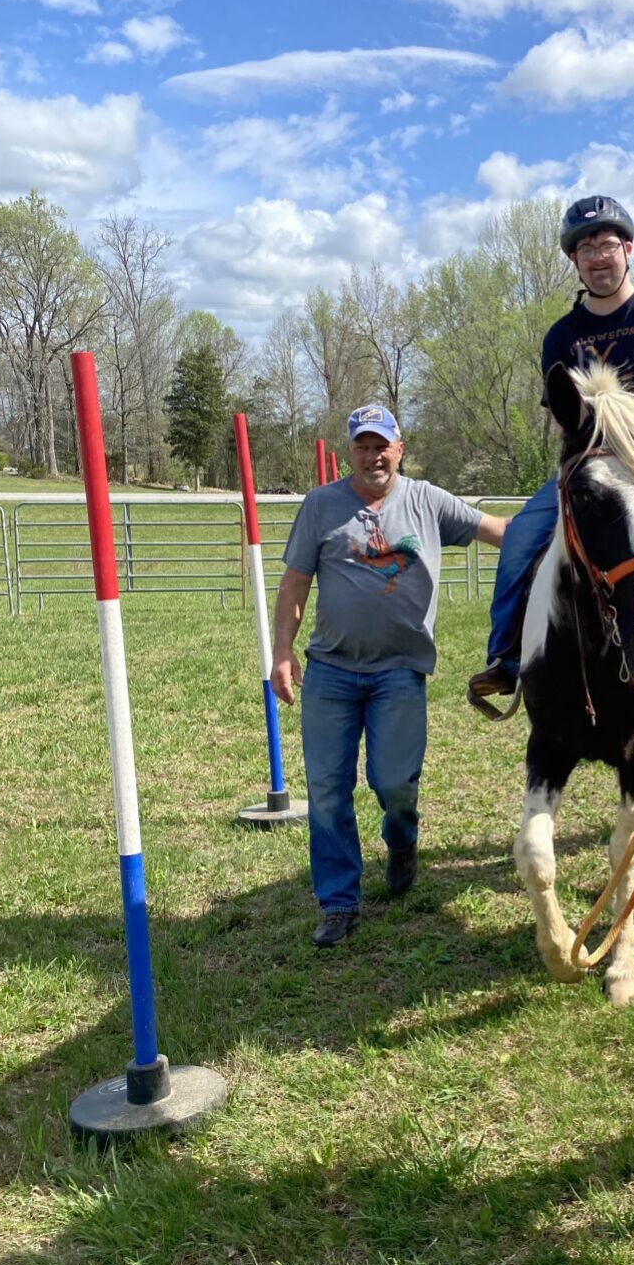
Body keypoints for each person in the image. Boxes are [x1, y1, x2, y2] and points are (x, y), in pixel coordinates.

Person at [468, 195, 634, 724]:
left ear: (628, 249)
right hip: (589, 469)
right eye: (584, 247)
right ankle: (507, 658)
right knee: (521, 538)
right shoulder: (560, 337)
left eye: (607, 243)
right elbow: (566, 417)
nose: (597, 255)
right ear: (574, 261)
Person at [271, 404, 507, 948]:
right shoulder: (321, 506)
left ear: (400, 448)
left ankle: (402, 839)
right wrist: (283, 651)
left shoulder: (427, 501)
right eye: (362, 445)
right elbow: (294, 586)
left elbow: (500, 531)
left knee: (394, 783)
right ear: (349, 450)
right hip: (331, 670)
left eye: (383, 445)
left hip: (400, 672)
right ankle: (339, 902)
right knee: (328, 790)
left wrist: (564, 523)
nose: (373, 455)